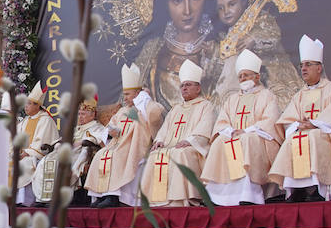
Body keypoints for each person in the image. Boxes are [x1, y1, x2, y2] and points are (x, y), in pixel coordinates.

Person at [268, 35, 331, 202]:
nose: (303, 69)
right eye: (301, 66)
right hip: (305, 133)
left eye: (308, 65)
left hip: (325, 136)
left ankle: (316, 189)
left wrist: (313, 124)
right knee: (294, 138)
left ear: (319, 68)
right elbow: (287, 122)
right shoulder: (299, 96)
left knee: (311, 136)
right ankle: (297, 189)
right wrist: (298, 125)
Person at [202, 49, 283, 206]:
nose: (243, 78)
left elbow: (270, 120)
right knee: (220, 142)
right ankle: (218, 197)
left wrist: (246, 131)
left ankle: (248, 195)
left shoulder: (267, 95)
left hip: (258, 138)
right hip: (236, 136)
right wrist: (230, 131)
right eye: (240, 76)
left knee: (247, 139)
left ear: (257, 76)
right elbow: (222, 121)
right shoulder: (232, 99)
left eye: (246, 75)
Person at [133, 0, 225, 110]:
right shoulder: (153, 51)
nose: (187, 10)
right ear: (166, 4)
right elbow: (132, 103)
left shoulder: (223, 45)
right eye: (178, 0)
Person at [87, 64, 165, 209]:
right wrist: (111, 132)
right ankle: (100, 194)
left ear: (137, 93)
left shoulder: (146, 107)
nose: (125, 97)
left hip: (136, 147)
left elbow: (155, 117)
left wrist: (145, 100)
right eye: (124, 94)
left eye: (128, 94)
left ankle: (113, 196)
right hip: (118, 144)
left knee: (117, 156)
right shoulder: (123, 110)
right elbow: (109, 127)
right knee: (101, 155)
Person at [140, 59, 216, 207]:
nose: (184, 88)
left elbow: (204, 128)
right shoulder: (176, 109)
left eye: (188, 85)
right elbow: (164, 129)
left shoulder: (206, 106)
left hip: (193, 148)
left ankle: (180, 198)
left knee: (181, 153)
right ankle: (155, 199)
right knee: (156, 154)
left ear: (198, 88)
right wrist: (159, 141)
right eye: (182, 85)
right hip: (172, 146)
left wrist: (190, 141)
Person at [37, 96, 108, 206]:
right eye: (79, 114)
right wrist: (58, 144)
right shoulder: (76, 128)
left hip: (81, 153)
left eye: (83, 114)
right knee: (45, 162)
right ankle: (45, 198)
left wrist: (82, 141)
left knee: (63, 165)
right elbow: (65, 139)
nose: (80, 117)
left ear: (93, 115)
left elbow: (99, 139)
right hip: (67, 152)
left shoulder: (97, 127)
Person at [15, 84, 59, 207]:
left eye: (29, 103)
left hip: (36, 155)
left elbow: (41, 142)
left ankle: (24, 200)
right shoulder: (25, 120)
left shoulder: (45, 120)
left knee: (24, 164)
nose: (25, 106)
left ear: (37, 105)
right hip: (23, 154)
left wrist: (26, 152)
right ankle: (13, 199)